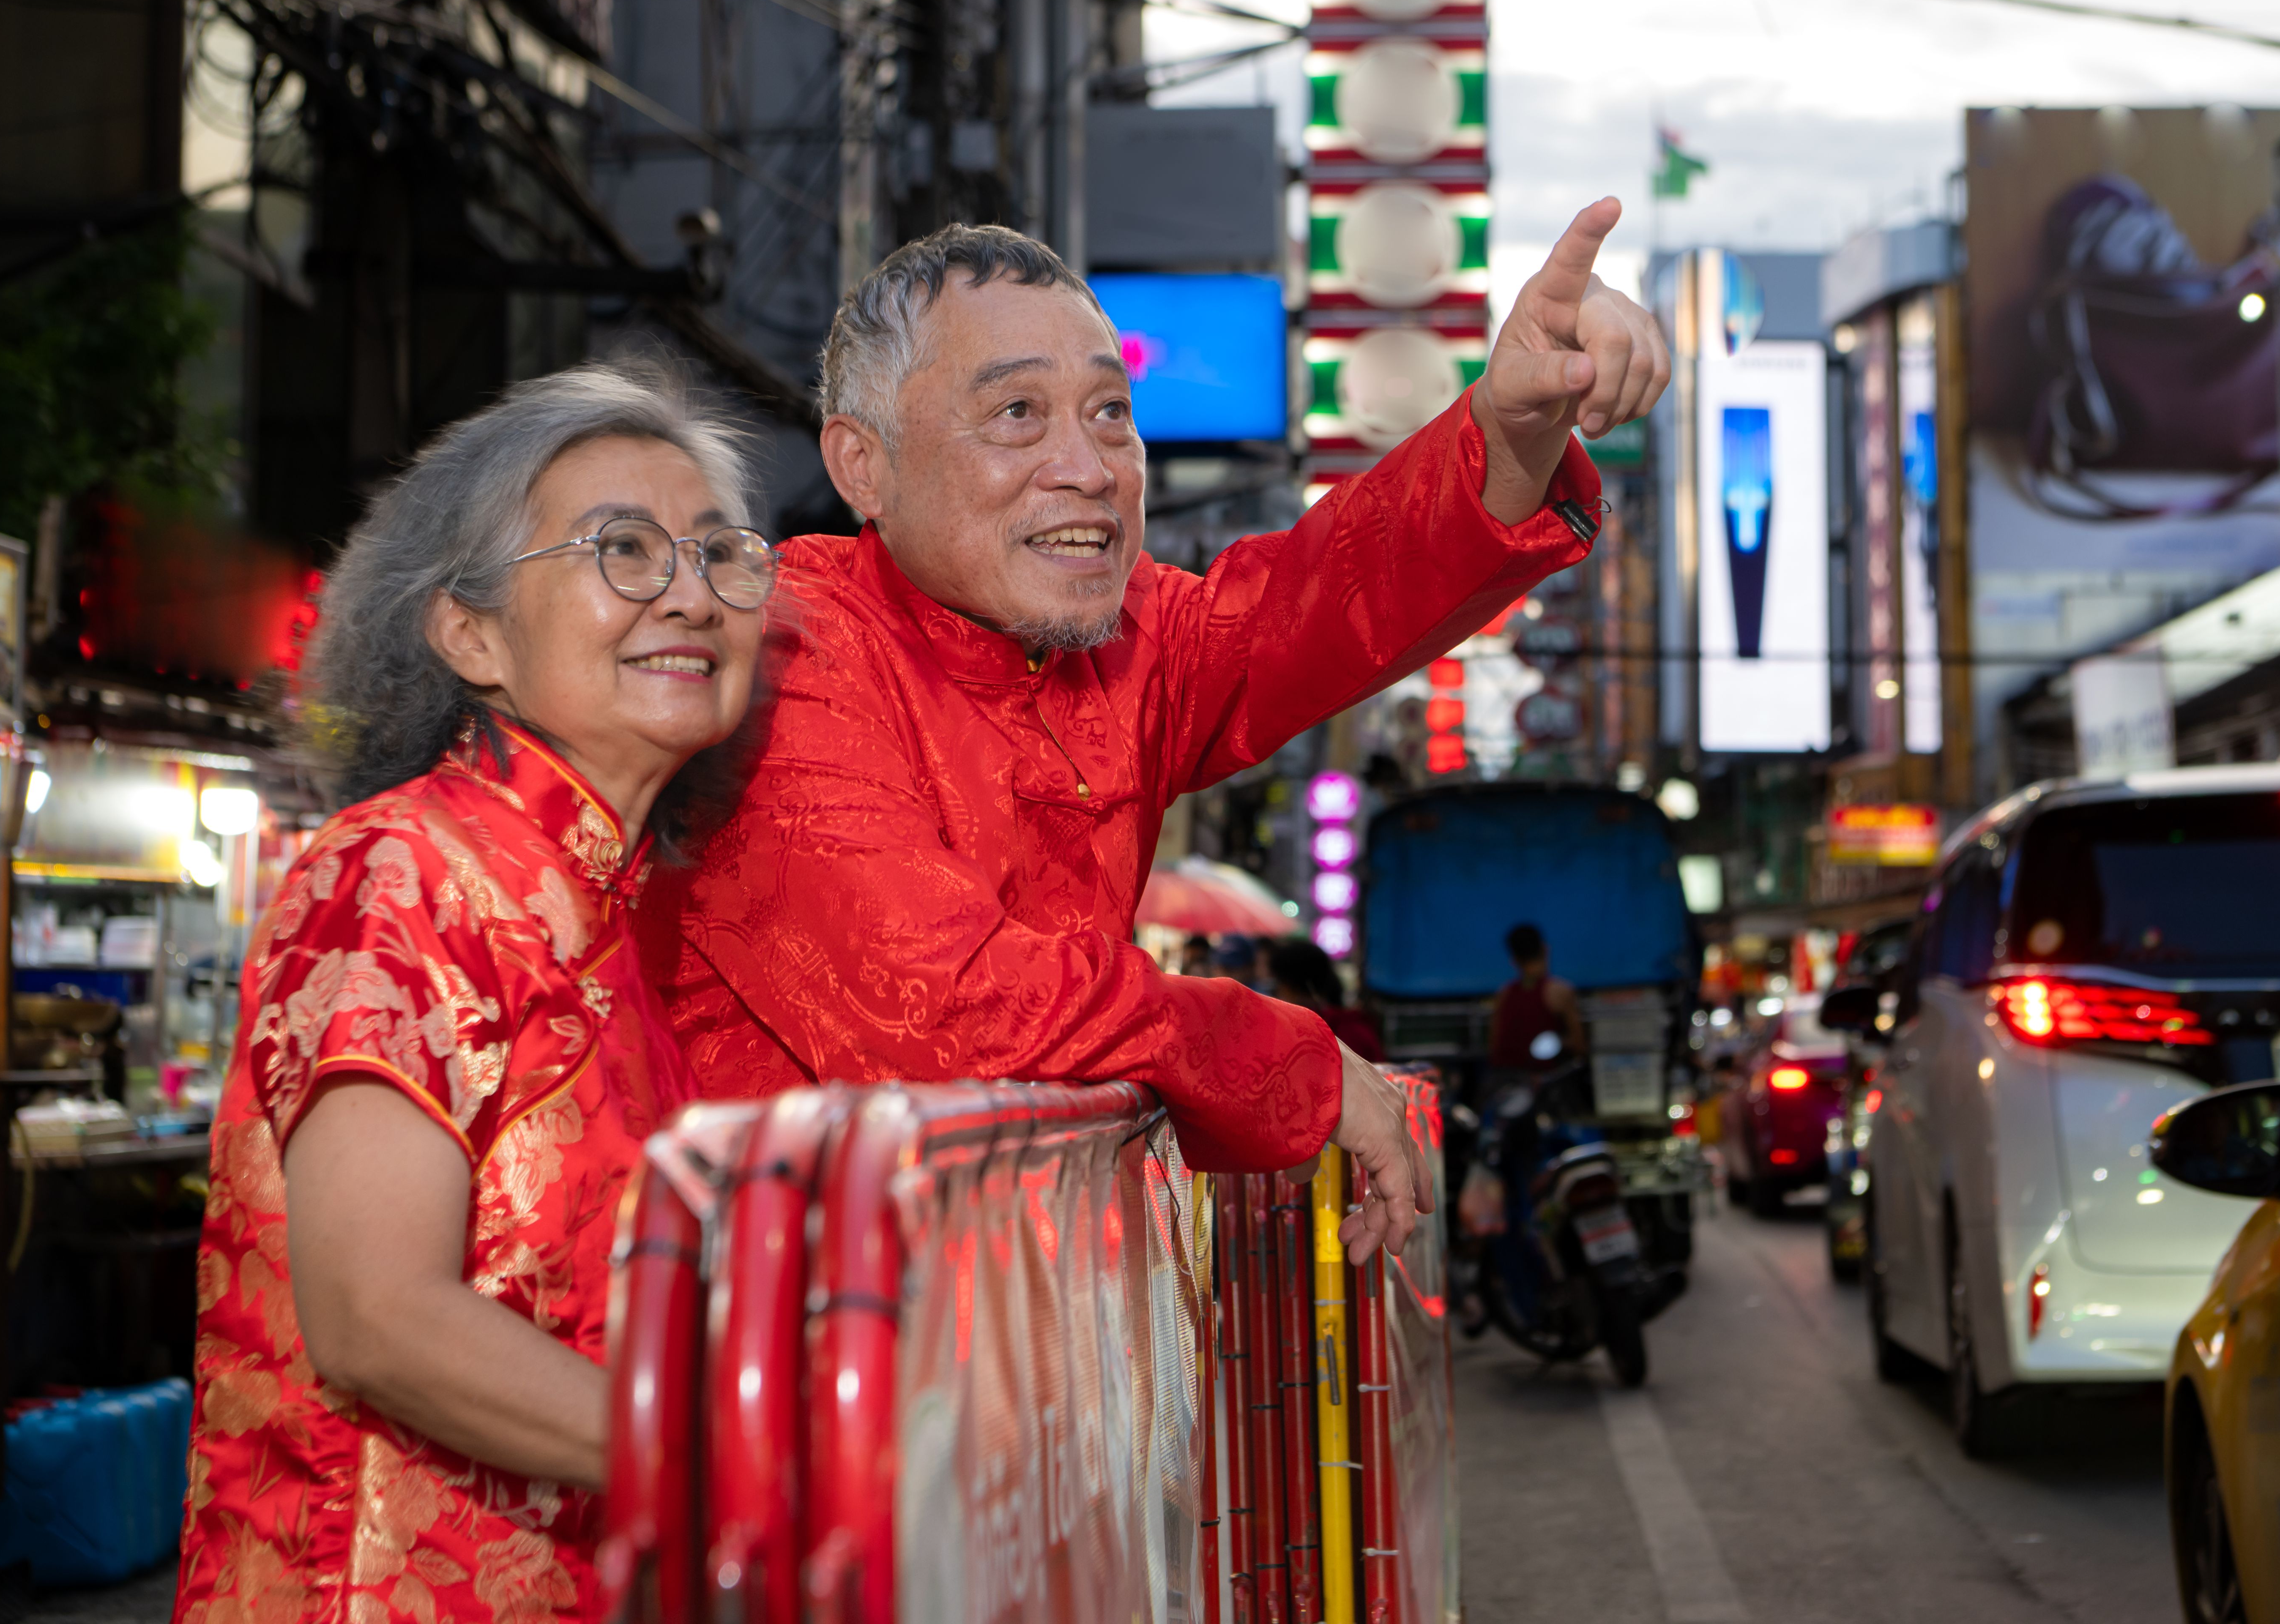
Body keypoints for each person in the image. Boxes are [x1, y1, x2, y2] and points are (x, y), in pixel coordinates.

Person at [636, 198, 1665, 1266]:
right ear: (861, 466)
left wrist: (1513, 426)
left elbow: (1337, 592)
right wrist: (1291, 1062)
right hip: (765, 1338)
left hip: (1008, 1346)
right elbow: (944, 1008)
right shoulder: (787, 647)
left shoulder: (1127, 639)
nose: (1087, 467)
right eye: (1017, 414)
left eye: (1110, 413)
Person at [175, 366, 768, 1624]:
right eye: (626, 552)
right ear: (471, 632)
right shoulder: (400, 872)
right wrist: (749, 1463)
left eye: (722, 555)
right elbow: (378, 1317)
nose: (694, 595)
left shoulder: (618, 921)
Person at [1266, 938, 1387, 1063]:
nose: (1276, 995)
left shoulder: (1303, 1032)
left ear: (1290, 986)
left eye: (1278, 985)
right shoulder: (1354, 1026)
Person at [1487, 922, 1586, 1071]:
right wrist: (1560, 1042)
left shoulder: (1504, 994)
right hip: (1544, 1081)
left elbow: (1494, 1046)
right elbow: (1580, 1046)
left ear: (1514, 961)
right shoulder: (1560, 991)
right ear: (1546, 950)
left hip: (1505, 1079)